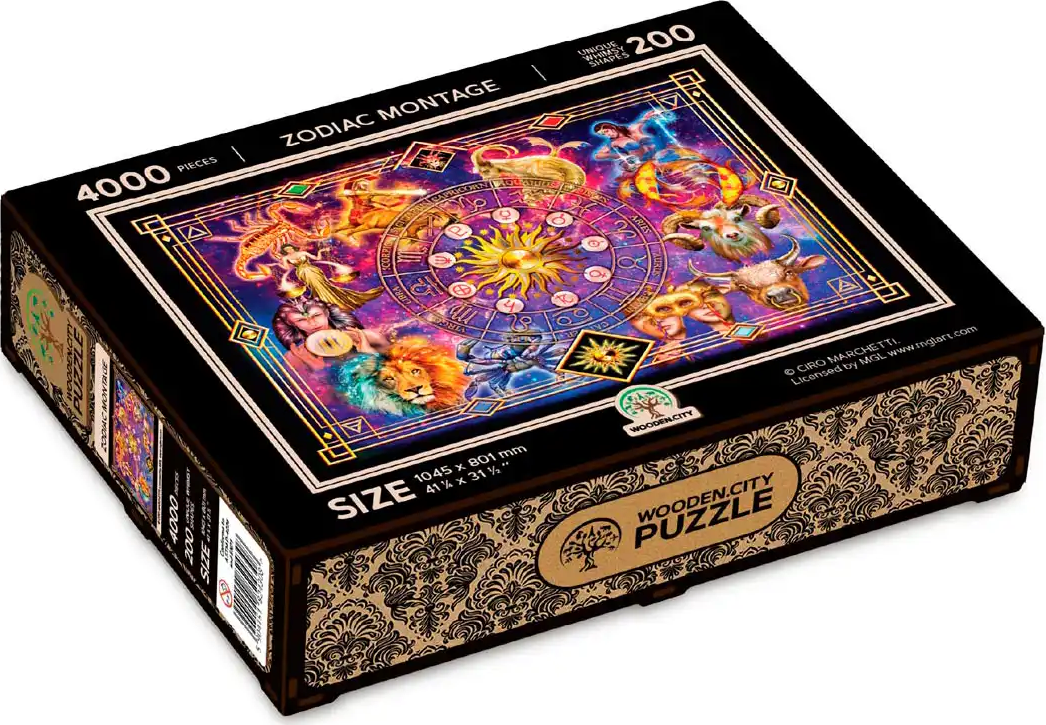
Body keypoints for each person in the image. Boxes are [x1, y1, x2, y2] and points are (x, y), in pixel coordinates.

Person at [272, 297, 389, 373]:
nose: (312, 323)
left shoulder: (370, 338)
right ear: (292, 324)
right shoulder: (295, 357)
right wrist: (318, 371)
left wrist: (370, 353)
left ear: (326, 313)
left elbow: (396, 366)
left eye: (316, 315)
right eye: (301, 320)